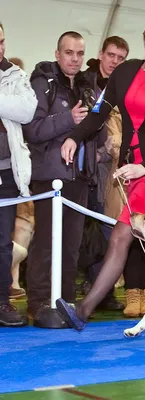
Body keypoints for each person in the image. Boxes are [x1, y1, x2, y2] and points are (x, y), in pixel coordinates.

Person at [56, 17, 145, 330]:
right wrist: (74, 136)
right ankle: (87, 309)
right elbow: (99, 114)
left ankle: (82, 311)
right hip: (131, 169)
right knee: (126, 238)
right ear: (144, 40)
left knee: (121, 235)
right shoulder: (125, 71)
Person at [23, 31, 105, 318]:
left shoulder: (87, 86)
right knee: (46, 241)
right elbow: (32, 130)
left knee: (72, 244)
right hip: (49, 177)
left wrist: (96, 124)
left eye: (80, 54)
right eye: (69, 52)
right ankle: (39, 303)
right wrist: (67, 119)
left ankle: (65, 300)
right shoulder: (42, 83)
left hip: (80, 177)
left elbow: (98, 129)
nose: (74, 58)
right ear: (57, 54)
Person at [80, 35, 130, 311]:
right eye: (111, 55)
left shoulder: (124, 87)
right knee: (80, 231)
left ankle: (103, 290)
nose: (115, 62)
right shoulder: (86, 83)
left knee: (106, 228)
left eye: (121, 58)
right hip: (83, 165)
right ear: (101, 54)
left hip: (109, 171)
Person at [0, 22, 37, 326]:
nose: (0, 49)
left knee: (3, 243)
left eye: (1, 41)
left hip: (7, 175)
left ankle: (2, 301)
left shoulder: (16, 75)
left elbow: (26, 111)